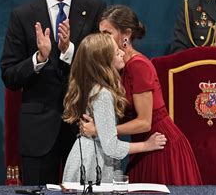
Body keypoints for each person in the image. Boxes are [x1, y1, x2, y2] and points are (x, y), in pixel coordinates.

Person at [0, 0, 106, 185]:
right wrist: (39, 58)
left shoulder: (94, 8)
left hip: (82, 127)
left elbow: (102, 67)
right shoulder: (23, 15)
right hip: (38, 130)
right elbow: (9, 75)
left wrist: (69, 50)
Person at [81, 5, 202, 185]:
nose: (102, 38)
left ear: (126, 35)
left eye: (107, 33)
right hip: (142, 147)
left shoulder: (138, 66)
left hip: (159, 145)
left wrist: (100, 130)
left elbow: (144, 123)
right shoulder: (117, 66)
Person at [62, 33, 167, 183]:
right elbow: (111, 146)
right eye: (117, 52)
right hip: (94, 164)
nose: (123, 53)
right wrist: (146, 145)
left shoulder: (92, 86)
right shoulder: (103, 94)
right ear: (104, 61)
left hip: (87, 156)